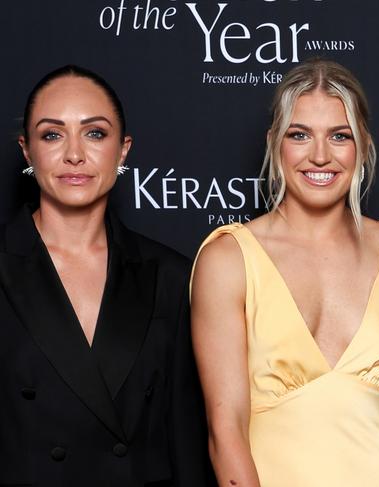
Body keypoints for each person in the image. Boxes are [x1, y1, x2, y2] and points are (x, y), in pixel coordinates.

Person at [191, 59, 379, 487]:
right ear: (275, 143)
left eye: (339, 136)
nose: (320, 156)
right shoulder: (229, 259)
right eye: (300, 135)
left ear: (362, 144)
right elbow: (225, 428)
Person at [0, 65, 213, 486]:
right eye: (52, 134)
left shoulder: (168, 275)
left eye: (95, 133)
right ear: (28, 152)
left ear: (123, 150)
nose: (74, 154)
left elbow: (186, 441)